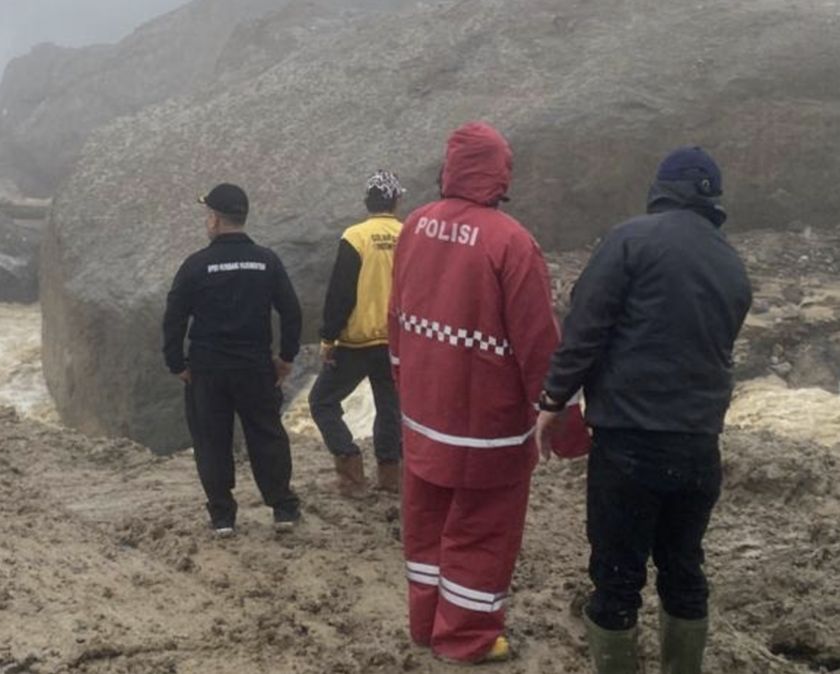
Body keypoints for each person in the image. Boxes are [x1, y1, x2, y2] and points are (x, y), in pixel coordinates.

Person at [535, 147, 752, 674]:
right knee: (684, 569)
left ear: (662, 188)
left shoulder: (631, 239)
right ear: (713, 199)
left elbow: (586, 328)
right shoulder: (730, 262)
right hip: (700, 448)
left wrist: (552, 400)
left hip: (629, 443)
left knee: (616, 576)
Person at [389, 122, 588, 663]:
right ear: (500, 173)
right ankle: (467, 638)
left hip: (424, 414)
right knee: (481, 532)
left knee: (427, 525)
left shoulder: (415, 226)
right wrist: (566, 427)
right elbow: (538, 344)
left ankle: (427, 625)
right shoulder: (511, 241)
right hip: (487, 428)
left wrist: (406, 391)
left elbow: (399, 320)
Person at [162, 183, 303, 537]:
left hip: (207, 369)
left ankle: (223, 516)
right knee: (266, 435)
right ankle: (283, 508)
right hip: (255, 366)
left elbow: (174, 317)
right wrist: (286, 357)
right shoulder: (266, 261)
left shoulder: (195, 265)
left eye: (207, 214)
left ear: (214, 219)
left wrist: (176, 363)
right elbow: (291, 312)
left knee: (211, 439)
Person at [309, 170, 405, 498]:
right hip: (395, 341)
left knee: (322, 401)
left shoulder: (355, 236)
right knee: (390, 408)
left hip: (356, 341)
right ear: (396, 200)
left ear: (367, 201)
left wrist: (328, 337)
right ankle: (391, 477)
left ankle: (351, 472)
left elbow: (341, 291)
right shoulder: (408, 236)